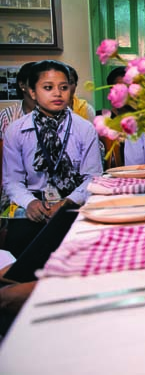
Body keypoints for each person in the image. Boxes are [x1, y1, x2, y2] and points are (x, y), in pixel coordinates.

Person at [2, 60, 102, 257]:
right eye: (48, 88)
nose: (58, 93)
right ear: (32, 92)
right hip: (32, 204)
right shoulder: (16, 129)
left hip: (73, 201)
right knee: (22, 251)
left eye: (64, 87)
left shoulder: (84, 128)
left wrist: (68, 202)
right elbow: (12, 180)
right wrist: (29, 203)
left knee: (84, 250)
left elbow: (93, 177)